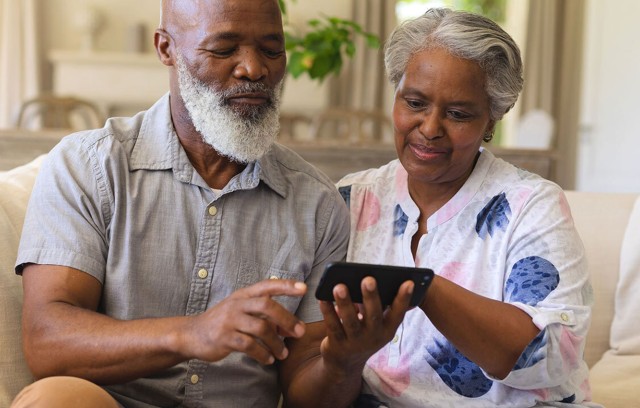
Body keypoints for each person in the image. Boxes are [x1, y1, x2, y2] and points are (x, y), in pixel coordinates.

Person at [11, 0, 359, 407]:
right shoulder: (89, 166)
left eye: (271, 49)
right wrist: (192, 333)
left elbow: (306, 389)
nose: (254, 69)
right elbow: (48, 341)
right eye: (224, 49)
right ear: (166, 49)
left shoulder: (317, 203)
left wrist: (343, 362)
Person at [300, 8, 598, 408]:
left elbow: (554, 357)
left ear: (492, 120)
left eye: (458, 114)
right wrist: (341, 359)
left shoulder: (531, 205)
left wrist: (425, 288)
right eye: (415, 102)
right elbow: (307, 371)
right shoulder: (350, 199)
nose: (430, 127)